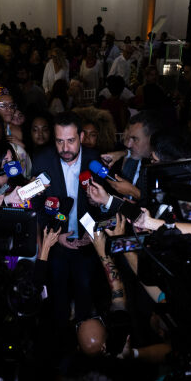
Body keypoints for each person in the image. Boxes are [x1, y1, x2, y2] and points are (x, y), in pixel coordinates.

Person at [31, 112, 115, 323]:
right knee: (58, 294)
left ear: (82, 137)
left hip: (88, 242)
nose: (65, 148)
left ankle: (86, 336)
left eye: (70, 141)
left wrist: (94, 228)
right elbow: (37, 206)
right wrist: (54, 236)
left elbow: (105, 206)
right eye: (59, 141)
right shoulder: (42, 160)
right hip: (56, 242)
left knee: (85, 292)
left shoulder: (94, 160)